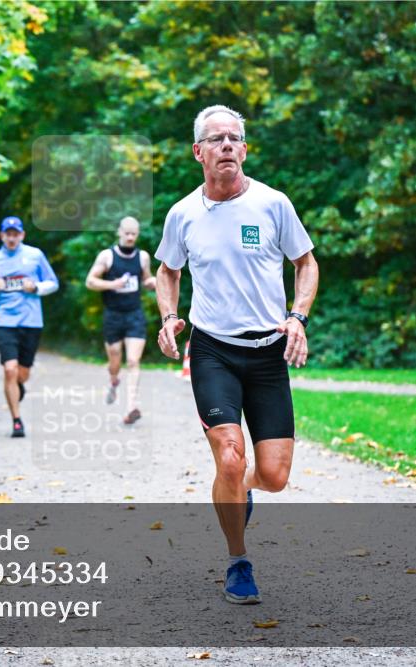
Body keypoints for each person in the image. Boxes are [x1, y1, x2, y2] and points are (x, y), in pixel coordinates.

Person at [154, 105, 318, 604]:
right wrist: (168, 318)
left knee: (274, 476)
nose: (227, 145)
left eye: (235, 138)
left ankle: (238, 486)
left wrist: (298, 316)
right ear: (198, 152)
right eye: (216, 138)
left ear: (244, 150)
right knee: (229, 455)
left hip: (267, 353)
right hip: (212, 352)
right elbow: (167, 271)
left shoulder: (273, 205)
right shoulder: (183, 214)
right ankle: (238, 560)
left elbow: (306, 264)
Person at [0, 216, 59, 438]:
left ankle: (17, 385)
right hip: (5, 321)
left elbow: (53, 283)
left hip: (31, 321)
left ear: (22, 235)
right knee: (9, 369)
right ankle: (16, 421)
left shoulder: (35, 255)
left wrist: (36, 288)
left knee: (22, 373)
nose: (12, 238)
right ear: (2, 236)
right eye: (8, 234)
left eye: (15, 234)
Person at [85, 216, 157, 424]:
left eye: (134, 233)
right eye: (126, 233)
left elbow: (145, 279)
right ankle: (114, 380)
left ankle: (131, 407)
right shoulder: (107, 256)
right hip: (113, 315)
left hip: (134, 314)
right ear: (119, 232)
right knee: (114, 359)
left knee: (133, 361)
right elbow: (90, 281)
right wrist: (112, 284)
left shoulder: (142, 257)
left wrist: (153, 282)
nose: (130, 237)